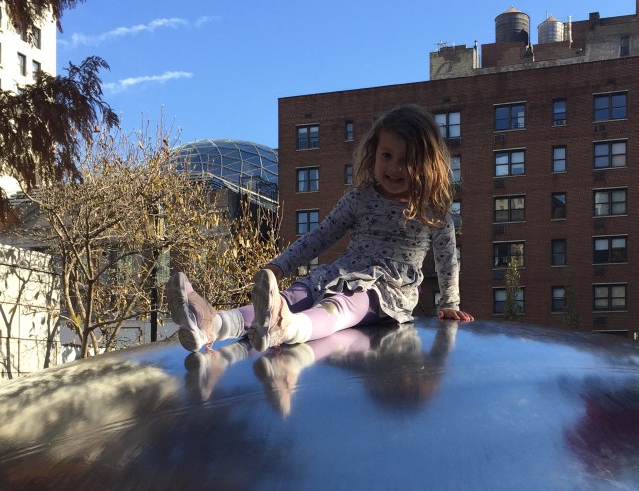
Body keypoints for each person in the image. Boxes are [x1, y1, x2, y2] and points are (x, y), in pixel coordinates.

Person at [168, 104, 473, 354]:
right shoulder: (360, 199)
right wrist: (279, 266)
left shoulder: (432, 211)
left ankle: (289, 328)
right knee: (293, 295)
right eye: (387, 156)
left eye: (406, 161)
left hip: (387, 291)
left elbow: (447, 259)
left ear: (426, 164)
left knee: (341, 306)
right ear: (373, 154)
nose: (393, 167)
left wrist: (450, 304)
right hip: (341, 273)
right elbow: (319, 237)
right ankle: (214, 323)